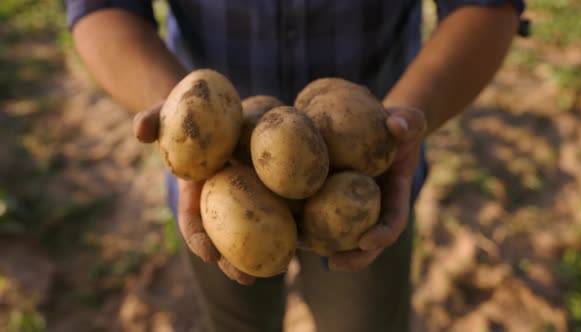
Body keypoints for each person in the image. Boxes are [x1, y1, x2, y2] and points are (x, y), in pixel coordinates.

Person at [67, 1, 525, 331]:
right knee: (236, 316)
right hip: (215, 178)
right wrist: (173, 113)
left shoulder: (362, 181)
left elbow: (485, 6)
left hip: (373, 171)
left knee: (365, 318)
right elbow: (101, 8)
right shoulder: (217, 168)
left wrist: (405, 116)